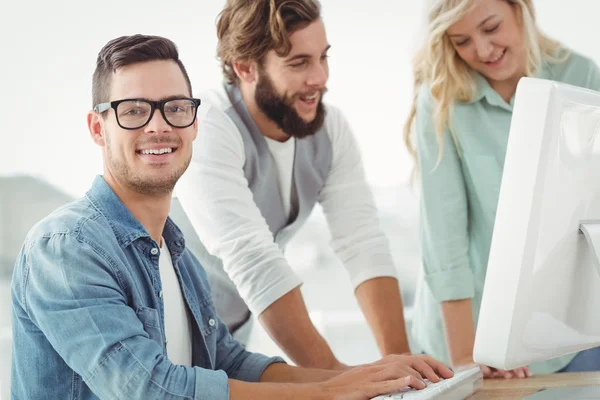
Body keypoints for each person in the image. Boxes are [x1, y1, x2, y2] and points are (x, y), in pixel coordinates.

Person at [10, 34, 453, 399]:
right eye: (133, 111)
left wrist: (365, 377)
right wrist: (329, 393)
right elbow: (146, 387)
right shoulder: (66, 247)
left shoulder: (177, 252)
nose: (158, 126)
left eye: (175, 108)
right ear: (97, 128)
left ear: (194, 123)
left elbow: (228, 361)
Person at [173, 0, 415, 370]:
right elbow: (254, 259)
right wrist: (336, 379)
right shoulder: (206, 126)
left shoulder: (330, 130)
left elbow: (363, 242)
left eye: (323, 57)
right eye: (299, 63)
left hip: (229, 344)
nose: (320, 77)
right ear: (245, 68)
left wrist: (401, 365)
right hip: (163, 340)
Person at [405, 0, 600, 379]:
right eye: (461, 40)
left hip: (566, 336)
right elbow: (444, 239)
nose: (482, 50)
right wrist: (465, 356)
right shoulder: (440, 99)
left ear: (520, 9)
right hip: (466, 331)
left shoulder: (582, 76)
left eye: (491, 28)